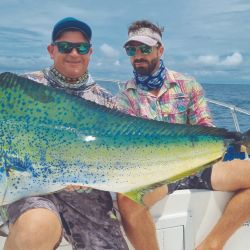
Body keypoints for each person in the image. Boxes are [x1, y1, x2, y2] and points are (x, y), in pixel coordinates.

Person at [116, 20, 250, 250]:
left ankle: (212, 244)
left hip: (196, 163)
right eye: (132, 50)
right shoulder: (124, 98)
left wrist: (226, 147)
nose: (138, 55)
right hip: (157, 171)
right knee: (127, 203)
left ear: (160, 49)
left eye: (145, 49)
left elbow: (205, 126)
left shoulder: (187, 85)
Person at [0, 17, 128, 250]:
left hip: (87, 195)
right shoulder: (23, 88)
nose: (73, 53)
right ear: (51, 50)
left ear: (90, 52)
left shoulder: (106, 102)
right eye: (64, 47)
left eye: (81, 47)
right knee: (35, 227)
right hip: (30, 190)